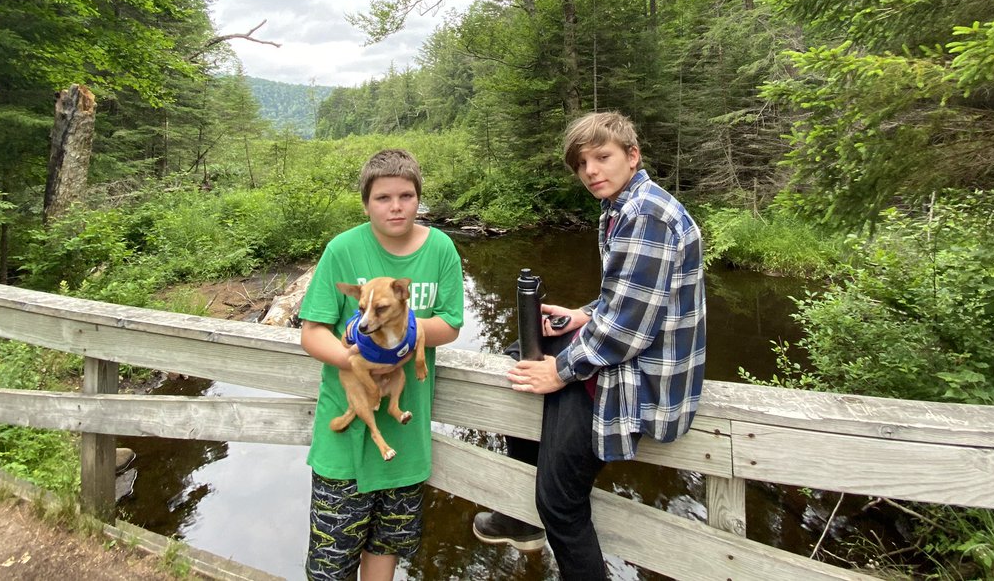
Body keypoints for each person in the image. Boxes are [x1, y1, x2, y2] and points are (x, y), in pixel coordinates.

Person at [472, 111, 706, 580]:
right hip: (631, 358)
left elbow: (625, 331)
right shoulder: (624, 205)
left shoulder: (647, 214)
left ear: (632, 156)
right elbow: (626, 294)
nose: (591, 171)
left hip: (640, 380)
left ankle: (536, 514)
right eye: (582, 164)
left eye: (602, 157)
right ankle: (520, 521)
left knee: (558, 502)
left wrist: (559, 372)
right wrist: (581, 316)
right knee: (526, 350)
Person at [299, 148, 465, 581]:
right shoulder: (343, 249)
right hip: (346, 441)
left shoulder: (442, 248)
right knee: (330, 563)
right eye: (383, 198)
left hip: (406, 441)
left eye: (406, 196)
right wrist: (360, 361)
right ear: (366, 202)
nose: (396, 206)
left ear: (418, 199)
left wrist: (407, 337)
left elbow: (450, 323)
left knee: (386, 549)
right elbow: (312, 331)